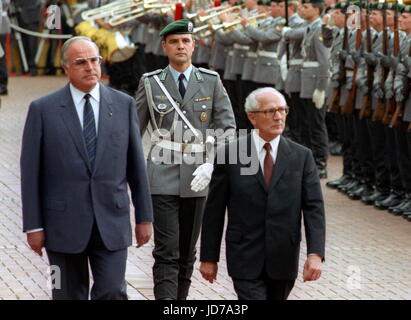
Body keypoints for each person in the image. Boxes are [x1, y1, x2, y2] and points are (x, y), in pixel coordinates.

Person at [20, 36, 153, 300]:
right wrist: (33, 226)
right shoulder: (43, 110)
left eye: (94, 60)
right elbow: (30, 173)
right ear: (66, 67)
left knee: (113, 292)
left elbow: (136, 166)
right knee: (67, 294)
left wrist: (144, 217)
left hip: (111, 221)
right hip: (62, 225)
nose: (90, 67)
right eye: (80, 62)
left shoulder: (124, 104)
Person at [135, 19, 236, 300]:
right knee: (167, 250)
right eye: (175, 42)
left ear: (194, 46)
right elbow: (134, 131)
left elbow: (228, 129)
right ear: (165, 46)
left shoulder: (211, 82)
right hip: (162, 172)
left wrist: (212, 162)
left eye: (186, 41)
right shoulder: (151, 82)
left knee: (187, 252)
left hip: (198, 175)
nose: (181, 46)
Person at [200, 87, 326, 300]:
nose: (278, 117)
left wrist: (315, 254)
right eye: (270, 111)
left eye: (282, 110)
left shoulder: (301, 157)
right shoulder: (230, 154)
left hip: (284, 257)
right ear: (252, 117)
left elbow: (314, 207)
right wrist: (209, 258)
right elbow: (214, 210)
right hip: (244, 256)